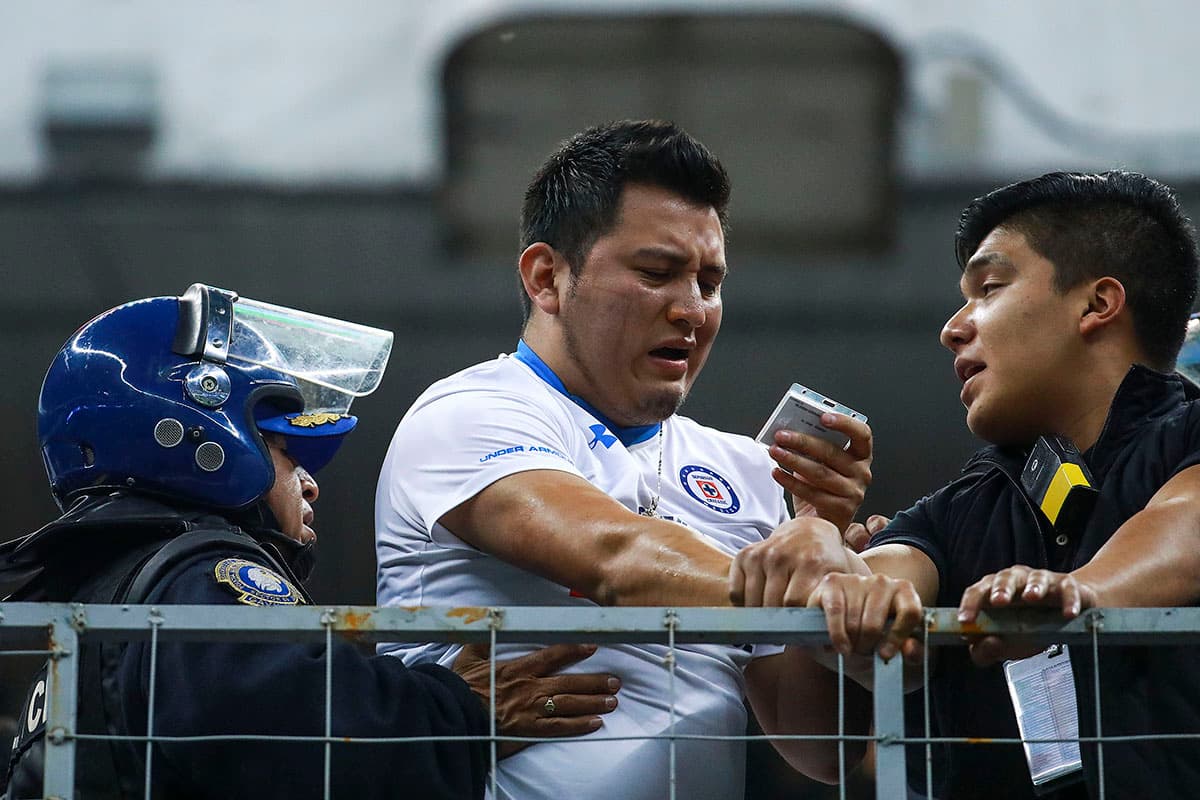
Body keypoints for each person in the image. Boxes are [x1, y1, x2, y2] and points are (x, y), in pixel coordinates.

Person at [374, 120, 876, 799]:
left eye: (710, 281)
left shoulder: (748, 469)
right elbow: (616, 558)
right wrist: (817, 587)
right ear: (547, 278)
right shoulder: (466, 414)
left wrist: (828, 559)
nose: (692, 310)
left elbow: (821, 749)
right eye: (656, 274)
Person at [1, 284, 619, 800]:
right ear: (190, 438)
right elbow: (300, 737)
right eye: (285, 449)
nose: (310, 484)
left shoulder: (113, 587)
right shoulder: (200, 575)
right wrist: (457, 708)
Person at [801, 171, 1200, 799]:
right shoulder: (960, 507)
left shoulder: (1189, 436)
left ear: (1097, 304)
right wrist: (829, 562)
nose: (953, 328)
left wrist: (1076, 594)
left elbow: (1185, 520)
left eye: (988, 289)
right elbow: (884, 576)